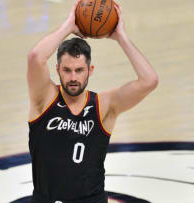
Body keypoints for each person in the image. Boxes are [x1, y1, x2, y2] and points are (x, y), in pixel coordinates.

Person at [26, 1, 158, 203]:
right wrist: (69, 26)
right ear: (57, 70)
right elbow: (36, 57)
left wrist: (121, 37)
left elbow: (149, 81)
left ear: (90, 70)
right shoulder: (44, 99)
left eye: (79, 70)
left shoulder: (104, 106)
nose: (73, 77)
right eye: (67, 70)